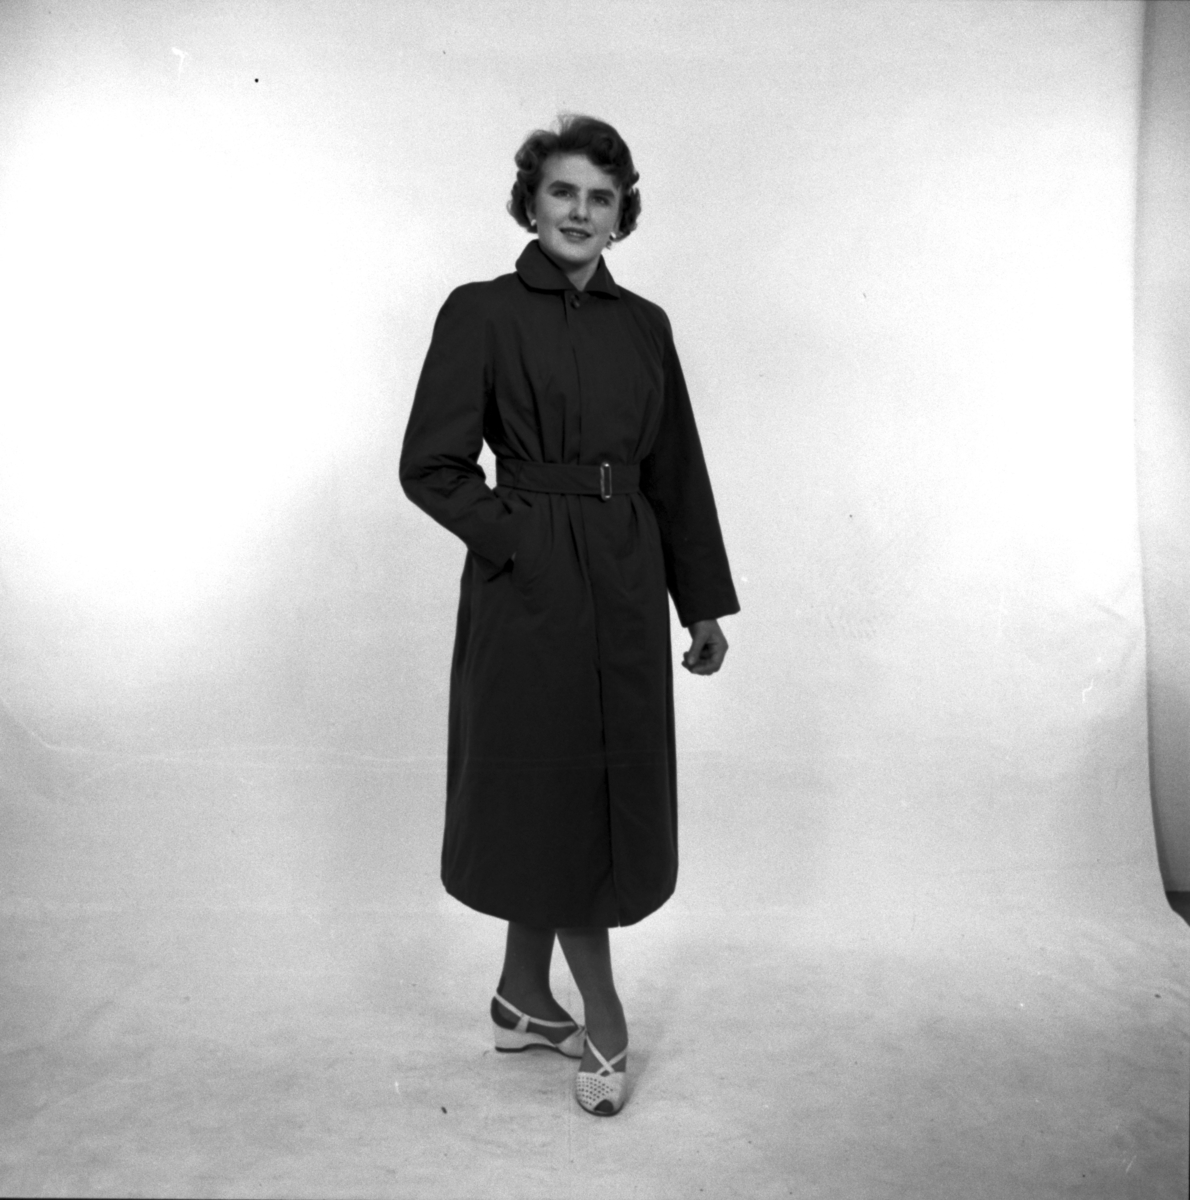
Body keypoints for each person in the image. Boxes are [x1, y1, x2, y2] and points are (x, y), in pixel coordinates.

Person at [399, 114, 739, 1116]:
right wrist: (522, 540)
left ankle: (520, 996)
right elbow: (430, 465)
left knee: (596, 788)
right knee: (557, 800)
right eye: (562, 192)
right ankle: (603, 1013)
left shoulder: (645, 327)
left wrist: (700, 602)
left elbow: (675, 472)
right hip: (530, 592)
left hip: (627, 579)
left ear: (621, 213)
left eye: (600, 197)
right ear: (530, 202)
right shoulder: (481, 312)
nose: (580, 212)